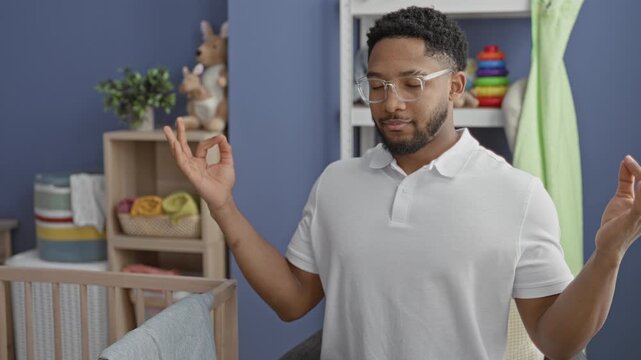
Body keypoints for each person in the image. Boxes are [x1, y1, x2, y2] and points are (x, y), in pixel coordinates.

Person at [164, 6, 641, 360]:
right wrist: (222, 205)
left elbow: (558, 344)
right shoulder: (336, 183)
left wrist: (609, 254)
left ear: (455, 86)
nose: (390, 103)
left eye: (412, 84)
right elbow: (292, 300)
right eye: (376, 85)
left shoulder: (517, 195)